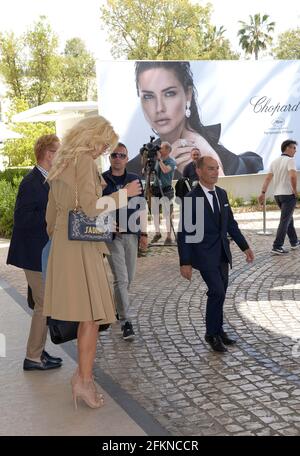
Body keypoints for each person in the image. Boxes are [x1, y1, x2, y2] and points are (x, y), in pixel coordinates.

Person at [43, 116, 142, 409]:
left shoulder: (62, 160)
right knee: (92, 317)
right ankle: (83, 381)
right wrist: (125, 194)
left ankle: (82, 378)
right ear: (92, 137)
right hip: (82, 248)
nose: (103, 151)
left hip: (64, 243)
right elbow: (90, 206)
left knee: (89, 316)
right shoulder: (84, 160)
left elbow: (50, 217)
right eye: (103, 144)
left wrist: (61, 238)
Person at [127, 61, 263, 177]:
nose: (159, 108)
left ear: (188, 94)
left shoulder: (205, 151)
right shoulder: (135, 164)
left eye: (169, 93)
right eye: (148, 96)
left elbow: (226, 198)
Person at [177, 156, 254, 353]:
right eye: (210, 169)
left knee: (220, 294)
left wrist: (244, 247)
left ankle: (218, 330)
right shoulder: (191, 199)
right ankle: (211, 334)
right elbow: (185, 232)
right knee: (217, 291)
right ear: (199, 171)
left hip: (222, 253)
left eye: (216, 168)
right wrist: (184, 262)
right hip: (203, 255)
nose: (215, 172)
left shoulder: (222, 194)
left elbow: (230, 224)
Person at [7, 134, 62, 371]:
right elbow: (21, 219)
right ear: (48, 154)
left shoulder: (49, 179)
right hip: (33, 254)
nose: (61, 155)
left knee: (43, 303)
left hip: (43, 254)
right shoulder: (31, 182)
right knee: (44, 304)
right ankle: (32, 357)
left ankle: (38, 350)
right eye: (58, 151)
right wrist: (53, 217)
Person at [102, 142, 148, 340]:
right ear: (110, 158)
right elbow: (97, 207)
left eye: (121, 155)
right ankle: (126, 321)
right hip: (112, 237)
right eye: (114, 155)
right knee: (121, 278)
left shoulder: (135, 179)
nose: (117, 158)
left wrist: (144, 233)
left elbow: (142, 207)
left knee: (127, 278)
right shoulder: (102, 180)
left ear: (127, 159)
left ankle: (116, 311)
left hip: (132, 234)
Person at [258, 140, 299, 255]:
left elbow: (267, 178)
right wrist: (295, 191)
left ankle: (294, 242)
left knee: (288, 218)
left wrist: (263, 192)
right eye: (294, 148)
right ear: (287, 148)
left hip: (278, 196)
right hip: (288, 195)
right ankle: (277, 246)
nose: (295, 151)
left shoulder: (274, 161)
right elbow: (293, 177)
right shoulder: (290, 160)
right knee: (285, 220)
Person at [150, 141, 176, 244]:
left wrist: (159, 160)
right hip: (156, 189)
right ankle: (157, 233)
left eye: (162, 148)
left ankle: (169, 236)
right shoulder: (156, 160)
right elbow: (152, 172)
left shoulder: (172, 162)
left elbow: (165, 170)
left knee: (167, 214)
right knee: (155, 213)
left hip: (166, 190)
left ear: (168, 150)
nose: (159, 149)